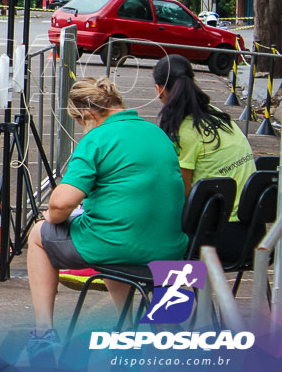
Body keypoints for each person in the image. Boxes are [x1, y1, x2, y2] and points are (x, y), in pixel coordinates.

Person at [25, 77, 188, 363]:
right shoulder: (157, 133)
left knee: (39, 235)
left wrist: (50, 216)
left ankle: (44, 332)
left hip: (116, 244)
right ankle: (131, 329)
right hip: (170, 249)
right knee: (116, 228)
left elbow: (61, 202)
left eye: (79, 121)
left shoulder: (97, 139)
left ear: (88, 115)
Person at [153, 54, 257, 262]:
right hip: (255, 232)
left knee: (151, 238)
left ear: (159, 90)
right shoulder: (216, 115)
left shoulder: (185, 130)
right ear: (194, 81)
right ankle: (195, 294)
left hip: (218, 236)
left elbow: (178, 195)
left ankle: (169, 294)